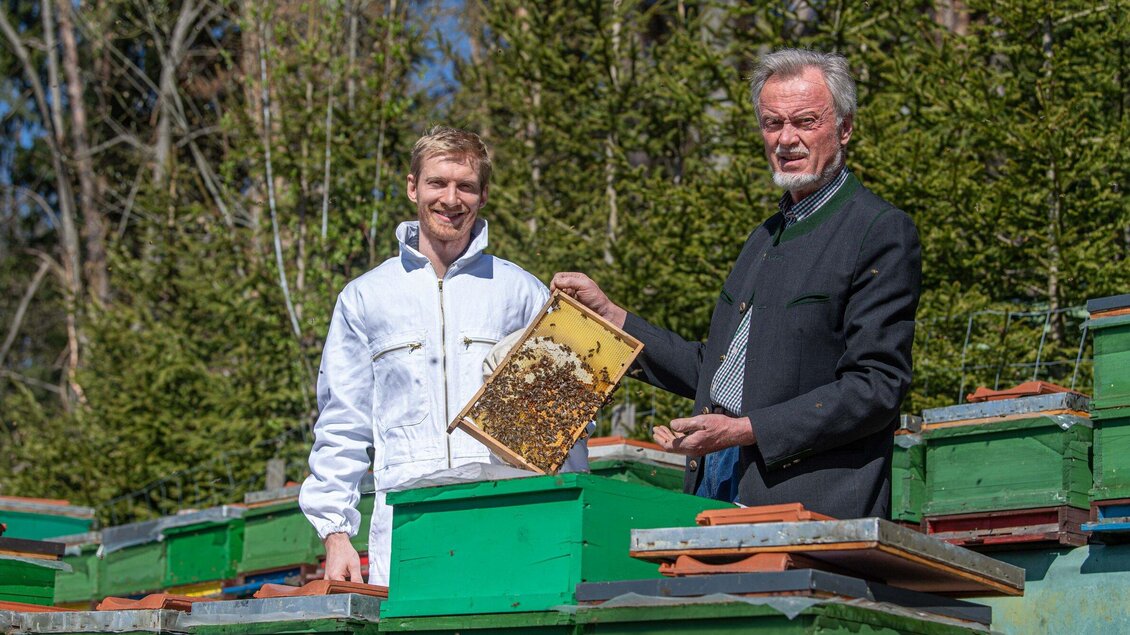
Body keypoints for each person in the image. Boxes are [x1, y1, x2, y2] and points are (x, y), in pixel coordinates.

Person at [552, 49, 921, 520]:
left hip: (807, 505)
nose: (786, 139)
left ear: (844, 128)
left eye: (805, 121)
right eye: (772, 123)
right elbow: (717, 370)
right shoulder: (764, 237)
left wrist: (745, 429)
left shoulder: (877, 229)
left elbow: (877, 387)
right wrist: (612, 319)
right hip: (716, 482)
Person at [300, 126, 584, 586]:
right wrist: (335, 533)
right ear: (413, 187)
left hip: (507, 523)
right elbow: (342, 425)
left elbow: (566, 428)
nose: (451, 199)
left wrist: (569, 528)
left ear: (483, 194)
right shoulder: (365, 297)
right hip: (407, 529)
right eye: (437, 183)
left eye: (466, 186)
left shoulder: (522, 293)